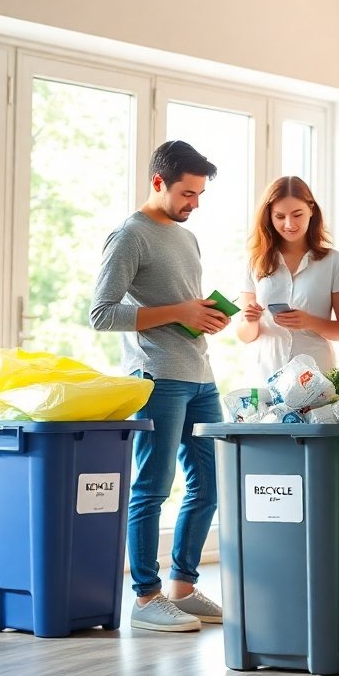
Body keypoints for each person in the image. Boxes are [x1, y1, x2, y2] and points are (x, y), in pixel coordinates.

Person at [90, 140, 226, 633]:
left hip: (201, 376)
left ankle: (182, 590)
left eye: (200, 194)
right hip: (157, 378)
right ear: (158, 183)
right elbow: (101, 313)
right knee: (152, 487)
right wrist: (180, 312)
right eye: (187, 193)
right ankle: (146, 598)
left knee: (208, 485)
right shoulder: (130, 236)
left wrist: (202, 315)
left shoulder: (186, 237)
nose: (195, 203)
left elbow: (179, 305)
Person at [236, 176, 339, 378]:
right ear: (269, 217)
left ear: (311, 210)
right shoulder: (255, 261)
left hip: (315, 378)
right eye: (280, 216)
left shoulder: (334, 262)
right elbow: (246, 336)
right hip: (266, 374)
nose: (289, 224)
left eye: (297, 214)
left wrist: (309, 322)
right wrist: (250, 321)